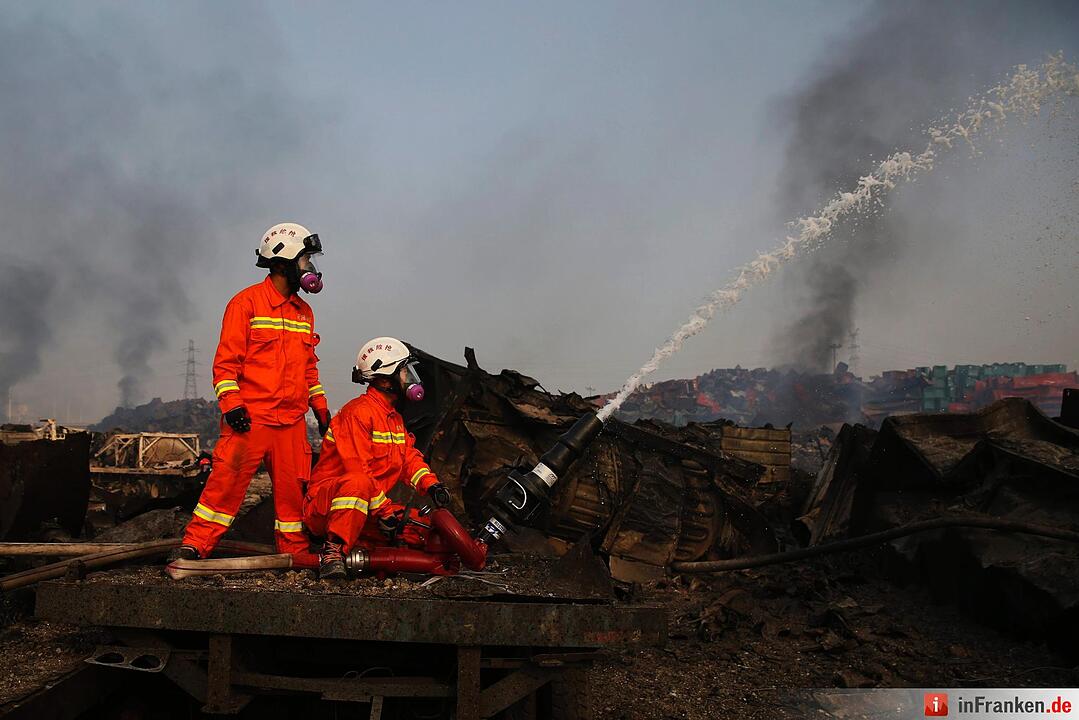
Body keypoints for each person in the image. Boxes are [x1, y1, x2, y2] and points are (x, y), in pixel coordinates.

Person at [174, 222, 331, 562]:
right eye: (305, 260)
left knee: (293, 497)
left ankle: (295, 555)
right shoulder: (245, 303)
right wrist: (232, 405)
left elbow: (308, 368)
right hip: (250, 418)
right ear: (281, 263)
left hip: (291, 423)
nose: (311, 269)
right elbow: (225, 363)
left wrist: (320, 409)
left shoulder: (304, 313)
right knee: (225, 485)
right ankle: (195, 546)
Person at [303, 336, 450, 579]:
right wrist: (383, 510)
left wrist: (431, 485)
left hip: (368, 506)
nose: (411, 378)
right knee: (358, 482)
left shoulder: (393, 419)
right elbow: (357, 470)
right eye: (405, 371)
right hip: (327, 506)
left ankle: (369, 555)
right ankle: (333, 551)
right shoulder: (357, 413)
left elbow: (409, 460)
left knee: (422, 526)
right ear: (385, 379)